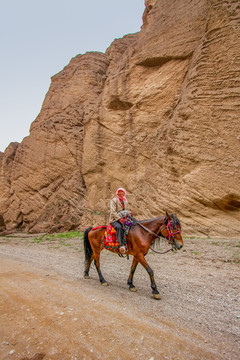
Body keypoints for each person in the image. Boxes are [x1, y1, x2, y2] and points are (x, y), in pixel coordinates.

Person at [109, 187, 130, 254]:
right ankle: (121, 246)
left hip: (124, 218)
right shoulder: (114, 200)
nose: (121, 193)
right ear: (117, 193)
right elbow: (113, 212)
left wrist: (129, 214)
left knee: (132, 226)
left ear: (124, 193)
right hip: (114, 219)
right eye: (119, 192)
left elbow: (127, 210)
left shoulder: (125, 201)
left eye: (122, 192)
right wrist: (119, 219)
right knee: (119, 227)